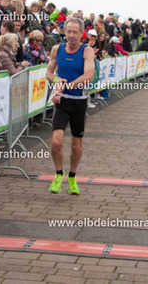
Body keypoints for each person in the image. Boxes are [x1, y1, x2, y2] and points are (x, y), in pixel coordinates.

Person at [45, 18, 95, 195]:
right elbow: (48, 73)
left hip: (79, 102)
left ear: (81, 33)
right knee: (56, 142)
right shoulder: (57, 49)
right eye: (68, 31)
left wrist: (67, 85)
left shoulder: (87, 51)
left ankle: (72, 176)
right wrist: (57, 80)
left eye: (75, 32)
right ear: (64, 31)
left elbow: (88, 76)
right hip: (62, 102)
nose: (71, 35)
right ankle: (59, 174)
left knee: (76, 145)